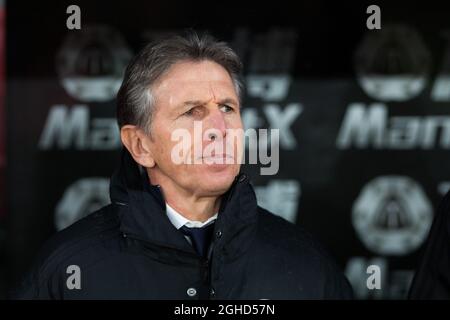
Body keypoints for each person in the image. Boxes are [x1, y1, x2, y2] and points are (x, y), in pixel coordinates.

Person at [11, 31, 353, 299]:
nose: (220, 130)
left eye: (228, 109)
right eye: (193, 112)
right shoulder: (69, 270)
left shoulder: (307, 265)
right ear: (141, 145)